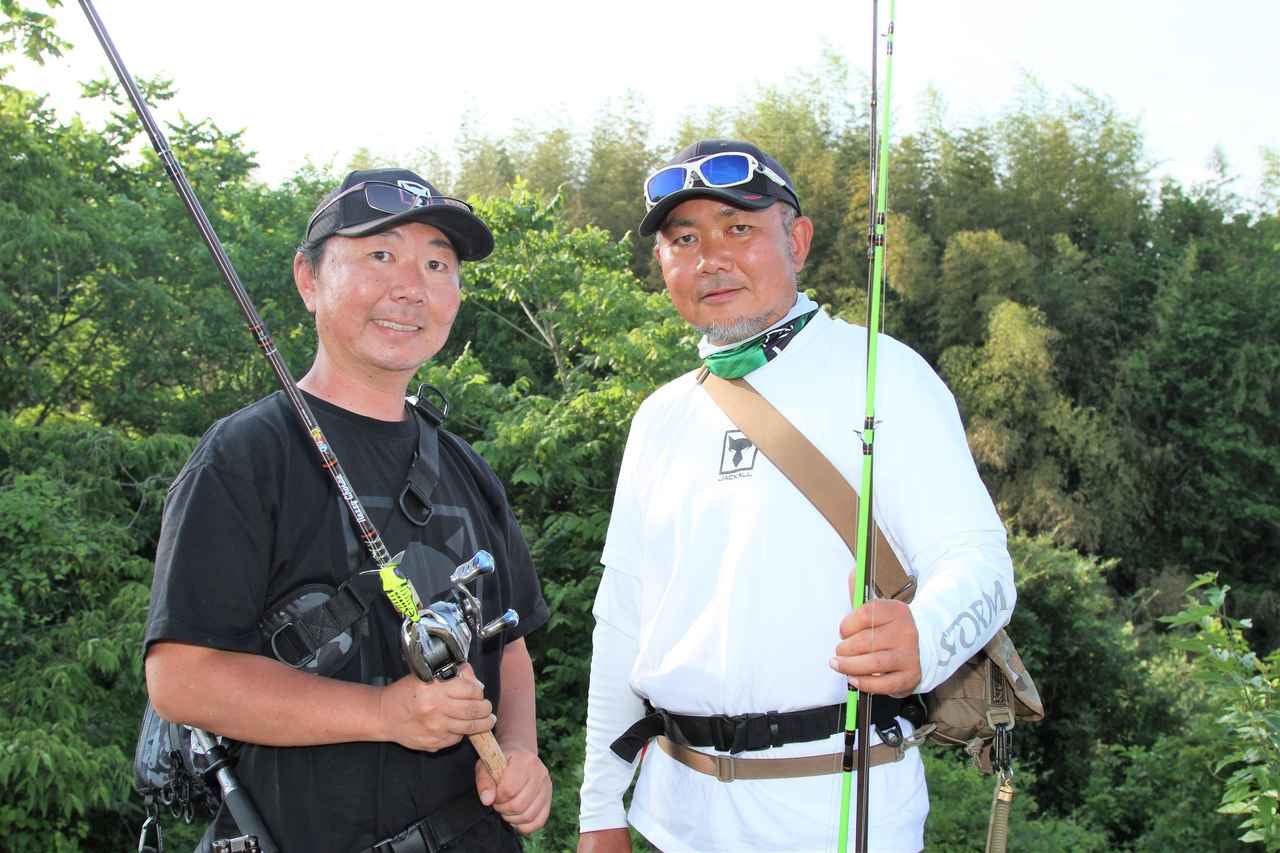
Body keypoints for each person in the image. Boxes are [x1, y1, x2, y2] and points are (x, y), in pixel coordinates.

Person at [577, 140, 1017, 852]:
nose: (710, 257)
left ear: (799, 239)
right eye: (683, 238)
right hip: (670, 819)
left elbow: (982, 565)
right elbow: (620, 619)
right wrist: (599, 807)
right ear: (662, 263)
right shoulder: (659, 416)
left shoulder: (886, 373)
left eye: (738, 228)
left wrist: (924, 634)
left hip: (837, 818)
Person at [145, 168, 552, 852]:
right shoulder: (243, 456)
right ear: (309, 279)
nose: (410, 286)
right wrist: (383, 712)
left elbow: (508, 642)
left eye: (437, 263)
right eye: (380, 254)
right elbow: (181, 678)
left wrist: (522, 750)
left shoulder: (465, 466)